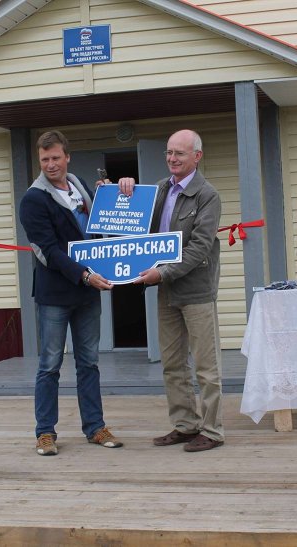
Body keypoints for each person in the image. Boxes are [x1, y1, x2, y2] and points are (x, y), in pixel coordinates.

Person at [19, 130, 123, 456]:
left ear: (67, 157)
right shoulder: (33, 199)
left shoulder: (79, 186)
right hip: (55, 295)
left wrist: (109, 195)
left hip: (86, 293)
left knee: (89, 363)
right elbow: (47, 251)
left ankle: (95, 427)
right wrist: (85, 275)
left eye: (55, 158)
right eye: (44, 159)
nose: (51, 165)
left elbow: (99, 224)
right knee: (49, 365)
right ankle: (45, 433)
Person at [121, 129, 224, 452]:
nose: (172, 159)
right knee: (172, 363)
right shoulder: (159, 190)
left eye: (179, 153)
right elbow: (131, 223)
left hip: (194, 290)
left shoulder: (207, 195)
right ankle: (185, 424)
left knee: (206, 367)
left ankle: (212, 430)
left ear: (197, 156)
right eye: (168, 152)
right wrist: (119, 192)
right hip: (166, 290)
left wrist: (162, 273)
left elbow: (200, 248)